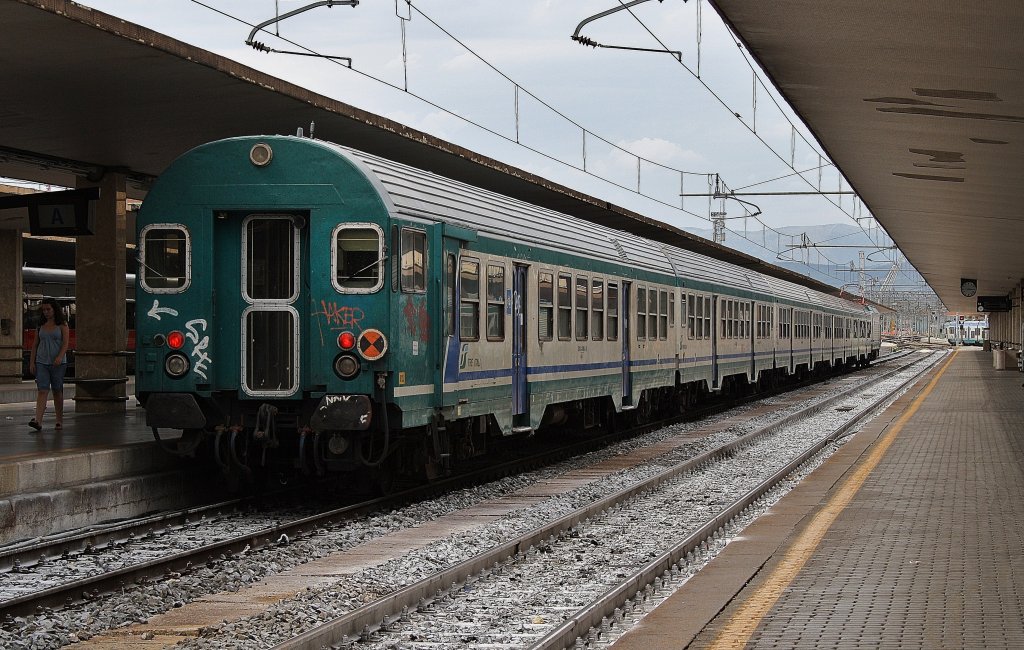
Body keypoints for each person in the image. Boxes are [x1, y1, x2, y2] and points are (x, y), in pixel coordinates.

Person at [28, 298, 70, 432]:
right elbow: (35, 344)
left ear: (54, 309)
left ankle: (59, 420)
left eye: (48, 309)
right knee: (42, 390)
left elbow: (65, 344)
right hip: (42, 361)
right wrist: (32, 361)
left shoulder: (62, 325)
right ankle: (38, 420)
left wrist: (59, 357)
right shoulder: (40, 326)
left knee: (57, 390)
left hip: (58, 363)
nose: (46, 312)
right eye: (44, 310)